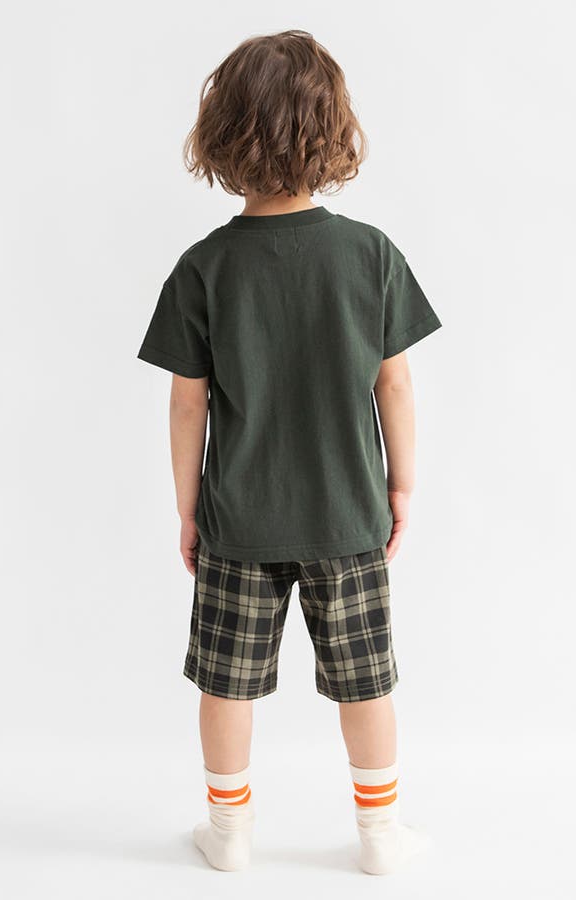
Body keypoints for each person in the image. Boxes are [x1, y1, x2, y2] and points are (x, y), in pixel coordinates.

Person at [137, 30, 442, 875]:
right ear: (332, 130)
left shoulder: (203, 267)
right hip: (349, 514)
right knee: (366, 683)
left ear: (222, 135)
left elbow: (187, 401)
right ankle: (379, 834)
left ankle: (229, 830)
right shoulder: (370, 255)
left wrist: (188, 509)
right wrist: (401, 487)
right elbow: (395, 386)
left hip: (239, 520)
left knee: (226, 682)